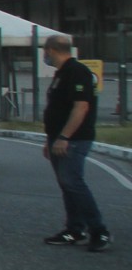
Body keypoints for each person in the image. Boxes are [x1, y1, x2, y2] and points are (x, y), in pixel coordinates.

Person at [39, 34, 109, 252]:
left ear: (51, 50)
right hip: (58, 138)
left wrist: (64, 137)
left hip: (75, 139)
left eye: (45, 51)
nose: (44, 55)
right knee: (66, 184)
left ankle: (99, 230)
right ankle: (74, 229)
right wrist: (50, 139)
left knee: (73, 182)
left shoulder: (77, 71)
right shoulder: (62, 73)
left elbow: (81, 107)